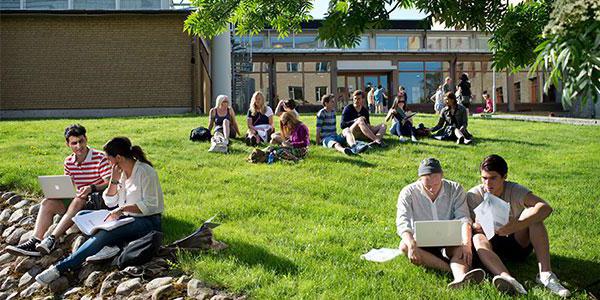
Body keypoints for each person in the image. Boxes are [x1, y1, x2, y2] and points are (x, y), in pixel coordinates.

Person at [36, 137, 164, 285]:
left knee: (105, 233)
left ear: (118, 158)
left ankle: (61, 267)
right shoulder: (120, 172)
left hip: (148, 221)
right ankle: (111, 245)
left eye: (108, 159)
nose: (107, 162)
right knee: (81, 215)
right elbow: (110, 201)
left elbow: (151, 205)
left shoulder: (145, 172)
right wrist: (114, 180)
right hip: (125, 218)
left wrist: (122, 209)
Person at [467, 155, 570, 297]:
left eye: (493, 178)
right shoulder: (474, 194)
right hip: (490, 245)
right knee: (477, 237)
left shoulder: (514, 190)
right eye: (484, 178)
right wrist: (476, 225)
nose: (488, 183)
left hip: (516, 241)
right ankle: (508, 279)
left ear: (504, 177)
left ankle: (545, 274)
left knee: (534, 217)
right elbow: (466, 223)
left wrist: (516, 225)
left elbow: (545, 208)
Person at [5, 124, 111, 257]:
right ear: (68, 144)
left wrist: (91, 187)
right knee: (47, 202)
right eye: (74, 143)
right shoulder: (69, 161)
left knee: (78, 199)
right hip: (78, 201)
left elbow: (109, 183)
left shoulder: (100, 157)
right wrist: (56, 193)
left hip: (96, 201)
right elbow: (68, 185)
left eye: (81, 141)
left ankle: (51, 239)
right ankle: (35, 240)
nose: (79, 146)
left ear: (86, 139)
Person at [397, 158, 485, 288]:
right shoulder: (408, 192)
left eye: (436, 184)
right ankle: (453, 272)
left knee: (461, 248)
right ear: (419, 178)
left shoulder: (455, 189)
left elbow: (464, 218)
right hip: (422, 239)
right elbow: (402, 222)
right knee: (404, 246)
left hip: (449, 237)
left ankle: (460, 277)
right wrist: (411, 245)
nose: (432, 189)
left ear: (442, 176)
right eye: (427, 186)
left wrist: (467, 243)